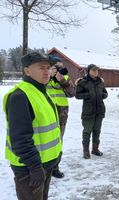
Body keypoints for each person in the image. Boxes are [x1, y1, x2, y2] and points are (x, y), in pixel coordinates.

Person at [3, 52, 62, 200]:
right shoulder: (20, 96)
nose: (47, 72)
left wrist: (56, 154)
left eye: (48, 68)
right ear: (27, 70)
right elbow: (20, 139)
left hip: (45, 164)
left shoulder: (41, 91)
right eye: (41, 68)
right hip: (29, 169)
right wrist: (35, 167)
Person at [46, 55, 75, 178]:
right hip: (47, 110)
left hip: (62, 112)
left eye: (61, 67)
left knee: (58, 140)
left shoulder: (64, 77)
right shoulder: (43, 76)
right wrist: (49, 76)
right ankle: (43, 167)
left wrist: (62, 80)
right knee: (45, 139)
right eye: (57, 67)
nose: (60, 69)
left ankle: (55, 167)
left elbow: (72, 93)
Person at [75, 64, 108, 159]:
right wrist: (89, 94)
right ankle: (86, 151)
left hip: (99, 111)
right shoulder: (83, 82)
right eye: (93, 70)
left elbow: (105, 93)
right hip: (88, 111)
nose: (96, 72)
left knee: (97, 131)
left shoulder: (100, 82)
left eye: (97, 70)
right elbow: (77, 95)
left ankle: (95, 149)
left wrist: (102, 95)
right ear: (88, 71)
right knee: (87, 131)